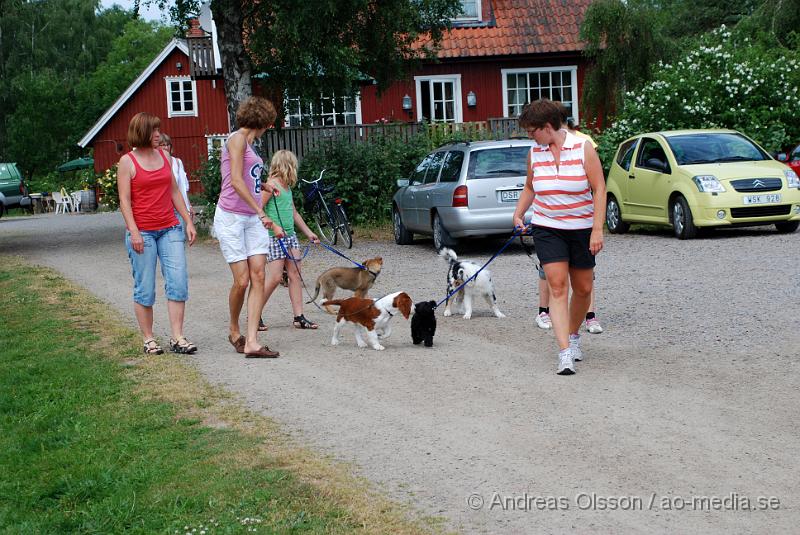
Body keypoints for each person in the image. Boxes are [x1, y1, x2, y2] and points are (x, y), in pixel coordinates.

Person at [513, 99, 606, 375]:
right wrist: (518, 214)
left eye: (533, 131)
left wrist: (597, 229)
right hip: (547, 227)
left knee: (584, 289)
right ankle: (564, 352)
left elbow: (599, 188)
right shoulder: (535, 153)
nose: (530, 136)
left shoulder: (583, 147)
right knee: (556, 286)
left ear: (548, 127)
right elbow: (530, 187)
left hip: (581, 228)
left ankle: (574, 334)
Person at [117, 112, 198, 355]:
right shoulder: (127, 162)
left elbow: (174, 191)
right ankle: (149, 339)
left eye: (158, 130)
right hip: (142, 232)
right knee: (145, 286)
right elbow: (124, 200)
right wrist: (134, 232)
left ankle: (177, 337)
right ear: (141, 133)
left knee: (178, 281)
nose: (158, 135)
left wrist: (187, 221)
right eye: (153, 131)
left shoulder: (164, 156)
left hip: (170, 228)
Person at [213, 96, 285, 358]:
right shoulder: (237, 139)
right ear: (264, 121)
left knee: (258, 276)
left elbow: (247, 177)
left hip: (251, 218)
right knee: (242, 281)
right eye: (270, 122)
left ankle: (252, 341)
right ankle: (234, 330)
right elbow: (233, 180)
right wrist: (261, 212)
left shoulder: (251, 145)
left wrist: (262, 187)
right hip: (232, 216)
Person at [260, 150, 321, 329]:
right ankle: (255, 314)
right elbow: (258, 209)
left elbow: (293, 212)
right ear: (287, 166)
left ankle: (299, 316)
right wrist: (272, 226)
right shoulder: (271, 185)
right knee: (275, 277)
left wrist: (308, 232)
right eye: (294, 165)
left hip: (290, 236)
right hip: (274, 237)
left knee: (295, 275)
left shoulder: (287, 187)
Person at [159, 133, 193, 226]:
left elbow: (182, 186)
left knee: (179, 236)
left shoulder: (177, 162)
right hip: (161, 209)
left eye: (167, 144)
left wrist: (188, 205)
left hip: (177, 208)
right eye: (162, 145)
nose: (165, 147)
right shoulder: (153, 163)